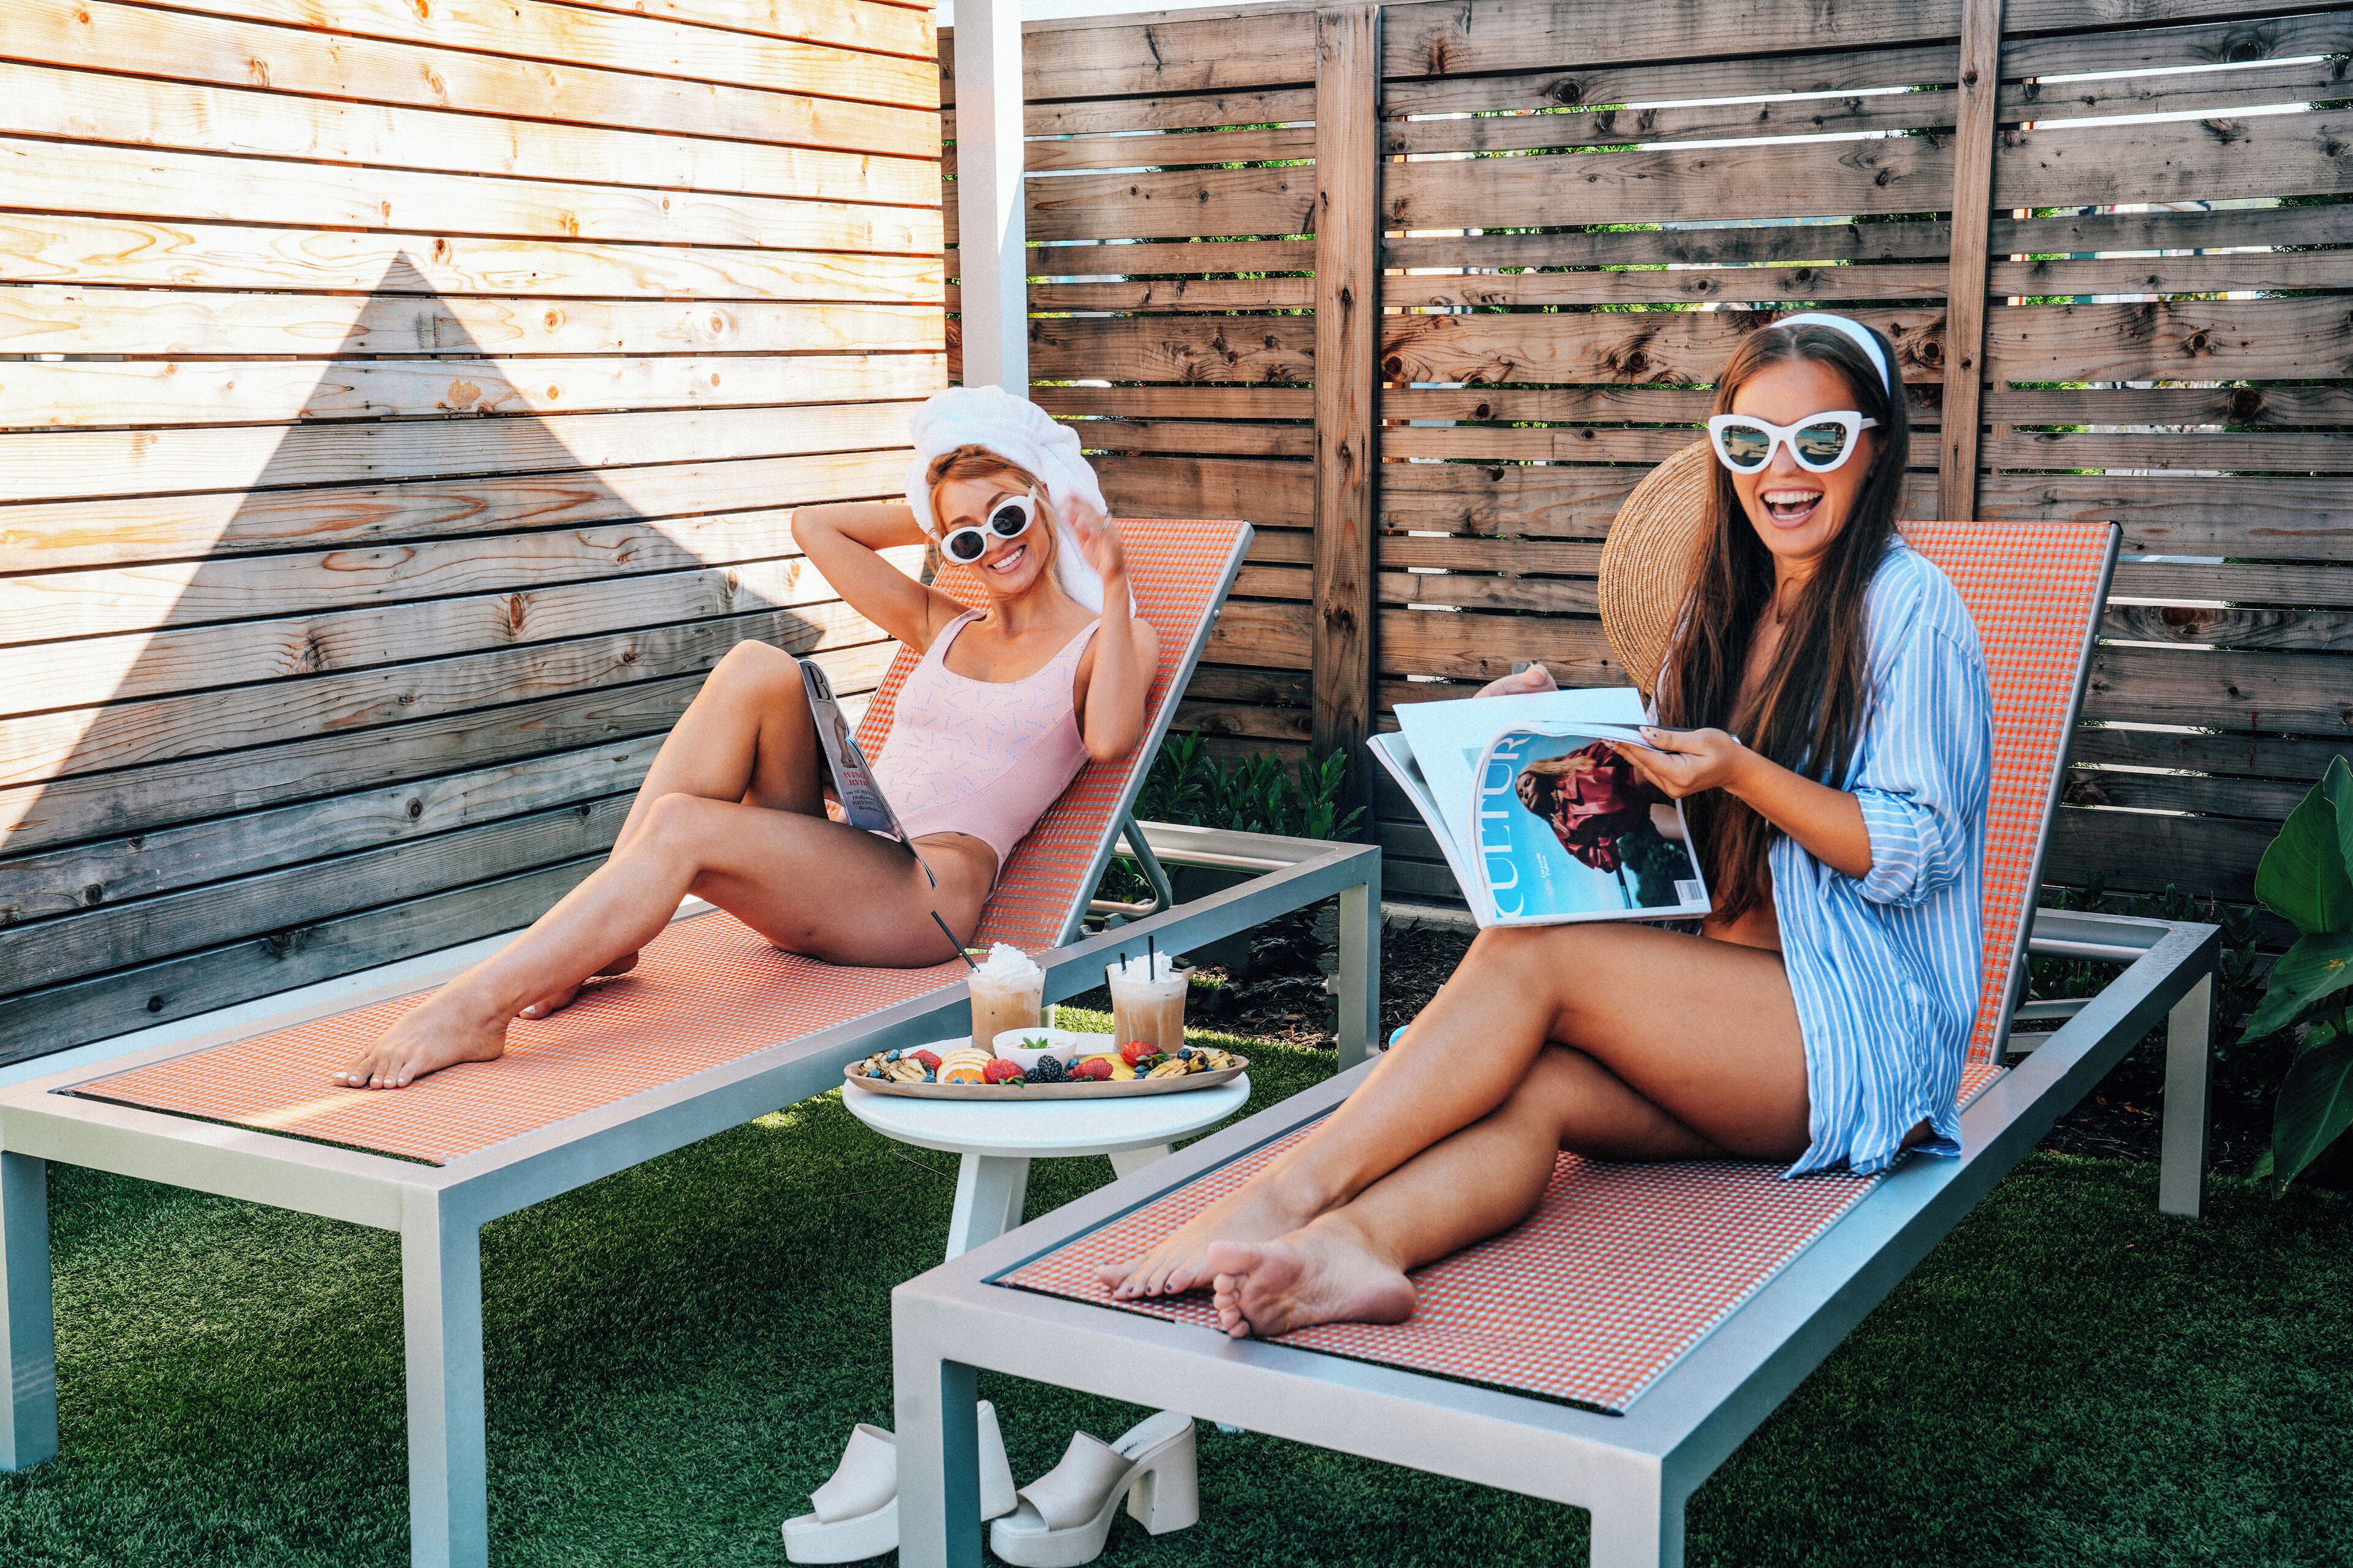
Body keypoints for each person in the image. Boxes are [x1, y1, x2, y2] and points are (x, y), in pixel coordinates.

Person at [1098, 313, 1993, 1340]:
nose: (1780, 471)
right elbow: (1675, 811)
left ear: (1877, 446)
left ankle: (1282, 1196)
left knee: (1533, 957)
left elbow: (1916, 850)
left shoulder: (1910, 610)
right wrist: (1532, 734)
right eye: (1748, 442)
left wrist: (1743, 771)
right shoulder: (1722, 607)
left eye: (1818, 440)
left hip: (1857, 1039)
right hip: (1731, 1027)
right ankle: (1354, 1248)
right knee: (1539, 1088)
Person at [332, 387, 1158, 1089]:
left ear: (1044, 501)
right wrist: (942, 512)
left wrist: (1111, 570)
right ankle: (603, 943)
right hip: (852, 853)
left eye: (1009, 515)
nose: (996, 545)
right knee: (757, 665)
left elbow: (1112, 738)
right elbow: (816, 526)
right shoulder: (947, 623)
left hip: (923, 899)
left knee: (683, 824)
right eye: (969, 538)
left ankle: (476, 1008)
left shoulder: (1106, 638)